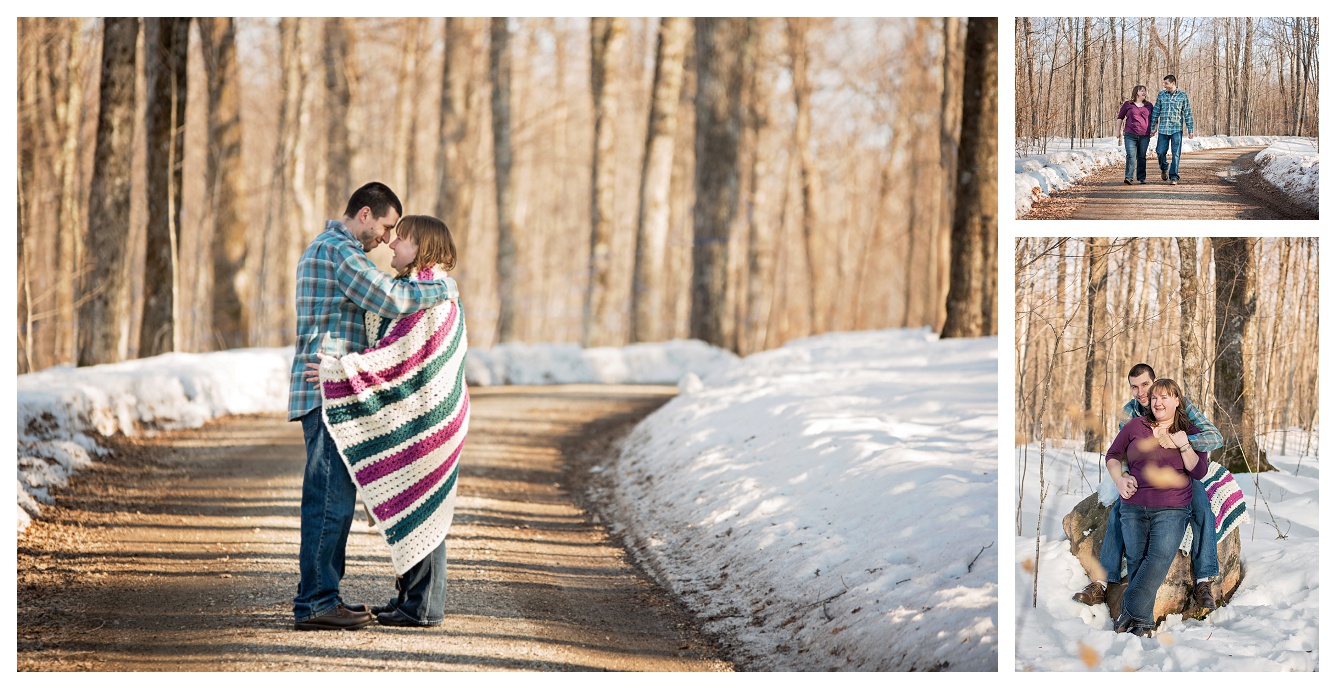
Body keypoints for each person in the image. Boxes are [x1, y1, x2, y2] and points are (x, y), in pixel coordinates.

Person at [288, 183, 458, 631]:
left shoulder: (332, 250)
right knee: (329, 504)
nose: (386, 239)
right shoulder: (339, 252)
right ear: (365, 214)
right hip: (328, 391)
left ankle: (322, 598)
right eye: (385, 227)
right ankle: (317, 602)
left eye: (394, 233)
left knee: (332, 502)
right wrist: (442, 288)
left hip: (336, 389)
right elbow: (392, 299)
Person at [1073, 363, 1222, 613]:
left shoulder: (1178, 403)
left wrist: (1182, 442)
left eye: (1145, 385)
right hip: (1142, 479)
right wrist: (1124, 476)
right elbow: (1119, 453)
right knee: (1119, 508)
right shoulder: (1130, 413)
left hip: (1182, 474)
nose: (1141, 392)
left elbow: (1214, 437)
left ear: (1156, 383)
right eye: (1134, 387)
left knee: (1202, 506)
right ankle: (1100, 583)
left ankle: (1203, 581)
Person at [1101, 378, 1208, 637]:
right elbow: (1113, 455)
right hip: (1133, 507)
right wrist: (1119, 479)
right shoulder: (1136, 426)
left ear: (1177, 401)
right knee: (1137, 560)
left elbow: (1200, 472)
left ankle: (1130, 608)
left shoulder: (1190, 432)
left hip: (1172, 509)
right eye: (1156, 397)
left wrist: (1183, 444)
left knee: (1158, 558)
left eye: (1165, 397)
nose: (1158, 402)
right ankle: (1143, 623)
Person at [1150, 74, 1195, 185]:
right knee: (1160, 152)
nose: (1164, 85)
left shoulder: (1182, 96)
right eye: (1164, 83)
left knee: (1176, 154)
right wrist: (1152, 128)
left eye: (1166, 83)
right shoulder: (1161, 95)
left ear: (1173, 83)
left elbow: (1187, 113)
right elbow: (1156, 112)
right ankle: (1164, 168)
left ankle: (1174, 176)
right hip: (1163, 130)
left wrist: (1190, 129)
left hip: (1176, 129)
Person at [1117, 85, 1154, 184]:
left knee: (1141, 156)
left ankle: (1142, 177)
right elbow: (1120, 117)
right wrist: (1118, 131)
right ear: (1136, 92)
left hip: (1144, 135)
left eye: (1145, 91)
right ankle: (1128, 177)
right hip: (1130, 134)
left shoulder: (1149, 105)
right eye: (1142, 91)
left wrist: (1154, 129)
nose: (1144, 92)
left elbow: (1154, 119)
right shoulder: (1128, 104)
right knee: (1131, 155)